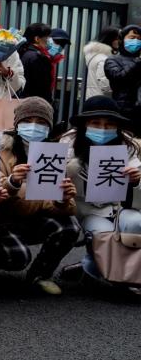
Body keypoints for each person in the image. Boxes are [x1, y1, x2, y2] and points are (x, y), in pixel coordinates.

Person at [0, 97, 79, 295]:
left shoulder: (54, 154)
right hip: (3, 221)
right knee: (18, 257)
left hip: (34, 218)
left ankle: (40, 274)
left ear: (49, 127)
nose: (34, 127)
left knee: (70, 226)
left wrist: (62, 199)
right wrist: (13, 182)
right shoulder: (0, 149)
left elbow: (69, 205)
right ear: (17, 124)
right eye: (27, 121)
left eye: (41, 122)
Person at [59, 96, 141, 285]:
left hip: (120, 207)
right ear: (84, 124)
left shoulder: (128, 147)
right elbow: (56, 182)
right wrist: (75, 165)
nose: (103, 129)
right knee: (103, 235)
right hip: (88, 209)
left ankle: (129, 273)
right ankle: (96, 268)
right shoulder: (68, 146)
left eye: (109, 124)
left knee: (136, 223)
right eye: (95, 123)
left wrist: (137, 181)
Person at [104, 24, 141, 134]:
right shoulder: (112, 60)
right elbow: (118, 78)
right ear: (122, 40)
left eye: (139, 39)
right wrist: (137, 63)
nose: (136, 41)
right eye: (132, 38)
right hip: (123, 110)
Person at [18, 23, 59, 104]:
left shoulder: (23, 53)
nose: (49, 40)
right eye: (47, 37)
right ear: (37, 39)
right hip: (37, 104)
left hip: (24, 100)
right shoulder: (39, 58)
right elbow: (43, 87)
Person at [83, 26, 120, 99]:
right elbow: (106, 86)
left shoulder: (95, 55)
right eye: (117, 39)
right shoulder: (103, 59)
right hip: (103, 100)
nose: (120, 41)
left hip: (94, 97)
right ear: (110, 39)